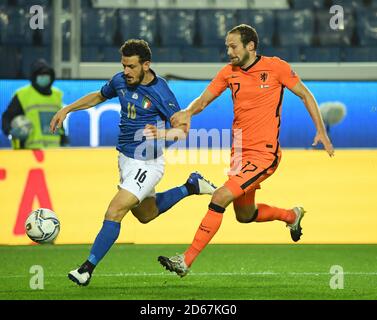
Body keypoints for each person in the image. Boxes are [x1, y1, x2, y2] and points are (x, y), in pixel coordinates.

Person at [157, 24, 335, 277]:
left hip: (264, 154)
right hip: (239, 155)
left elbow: (305, 95)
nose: (229, 52)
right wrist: (188, 112)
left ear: (250, 46)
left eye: (233, 46)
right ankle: (291, 215)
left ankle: (185, 261)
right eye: (227, 47)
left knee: (219, 197)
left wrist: (321, 131)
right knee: (244, 215)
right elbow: (204, 99)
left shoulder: (276, 68)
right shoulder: (229, 73)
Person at [49, 39, 216, 286]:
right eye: (124, 65)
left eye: (131, 66)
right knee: (147, 215)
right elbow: (98, 96)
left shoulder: (161, 92)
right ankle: (190, 186)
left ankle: (86, 269)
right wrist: (68, 109)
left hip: (148, 164)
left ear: (146, 65)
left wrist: (162, 134)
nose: (126, 71)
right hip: (125, 160)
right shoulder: (120, 80)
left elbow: (182, 129)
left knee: (114, 211)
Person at [1, 59, 68, 149]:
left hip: (54, 151)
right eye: (40, 74)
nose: (44, 77)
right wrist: (10, 132)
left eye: (47, 74)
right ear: (34, 77)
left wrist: (63, 138)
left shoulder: (57, 95)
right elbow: (7, 117)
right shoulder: (22, 94)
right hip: (28, 150)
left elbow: (58, 121)